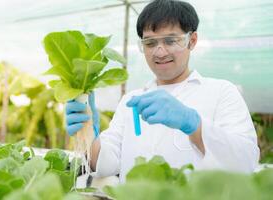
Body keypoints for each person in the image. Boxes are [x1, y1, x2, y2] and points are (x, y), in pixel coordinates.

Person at [65, 0, 260, 183]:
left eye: (170, 41)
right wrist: (87, 130)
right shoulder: (131, 100)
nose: (159, 52)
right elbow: (107, 163)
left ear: (192, 40)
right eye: (150, 43)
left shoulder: (222, 92)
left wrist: (194, 124)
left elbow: (245, 161)